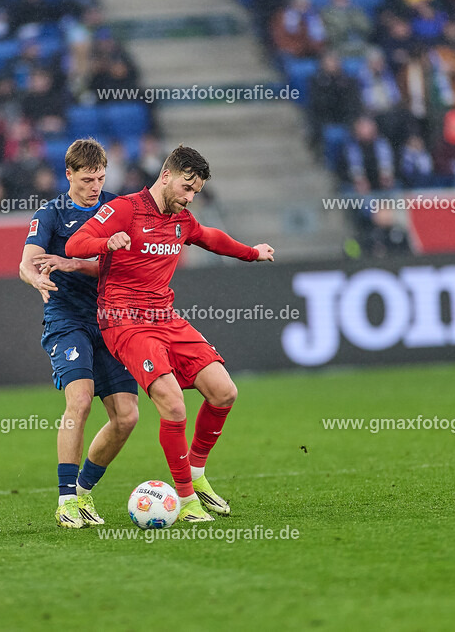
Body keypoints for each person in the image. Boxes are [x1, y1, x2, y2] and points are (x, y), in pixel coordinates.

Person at [65, 145, 275, 522]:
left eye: (195, 192)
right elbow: (75, 244)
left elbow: (211, 238)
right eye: (186, 187)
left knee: (224, 391)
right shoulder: (126, 208)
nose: (190, 197)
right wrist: (106, 242)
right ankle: (187, 501)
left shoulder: (182, 219)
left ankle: (195, 473)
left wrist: (251, 253)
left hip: (166, 318)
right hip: (123, 320)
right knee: (173, 404)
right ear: (166, 176)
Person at [19, 138, 140, 528]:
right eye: (87, 179)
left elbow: (125, 269)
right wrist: (35, 278)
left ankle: (84, 491)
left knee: (127, 417)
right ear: (68, 174)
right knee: (81, 401)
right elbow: (25, 262)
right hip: (66, 319)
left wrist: (72, 263)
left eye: (101, 178)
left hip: (110, 320)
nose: (95, 187)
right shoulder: (51, 214)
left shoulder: (116, 208)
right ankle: (66, 499)